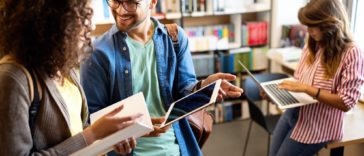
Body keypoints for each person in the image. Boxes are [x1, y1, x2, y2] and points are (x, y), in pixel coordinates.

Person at [80, 0, 244, 155]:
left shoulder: (175, 38)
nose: (121, 10)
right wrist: (119, 134)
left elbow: (185, 92)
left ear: (152, 2)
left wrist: (204, 86)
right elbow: (93, 121)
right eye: (115, 1)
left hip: (177, 148)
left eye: (131, 2)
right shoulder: (95, 53)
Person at [0, 0, 140, 155]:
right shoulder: (13, 78)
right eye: (82, 16)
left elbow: (75, 130)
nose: (91, 26)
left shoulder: (65, 67)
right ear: (52, 19)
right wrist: (92, 134)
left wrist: (108, 136)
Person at [269, 0, 364, 155]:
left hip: (317, 127)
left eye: (312, 26)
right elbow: (298, 82)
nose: (308, 31)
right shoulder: (312, 44)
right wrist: (277, 95)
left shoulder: (352, 52)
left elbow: (346, 102)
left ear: (329, 24)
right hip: (294, 114)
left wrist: (307, 89)